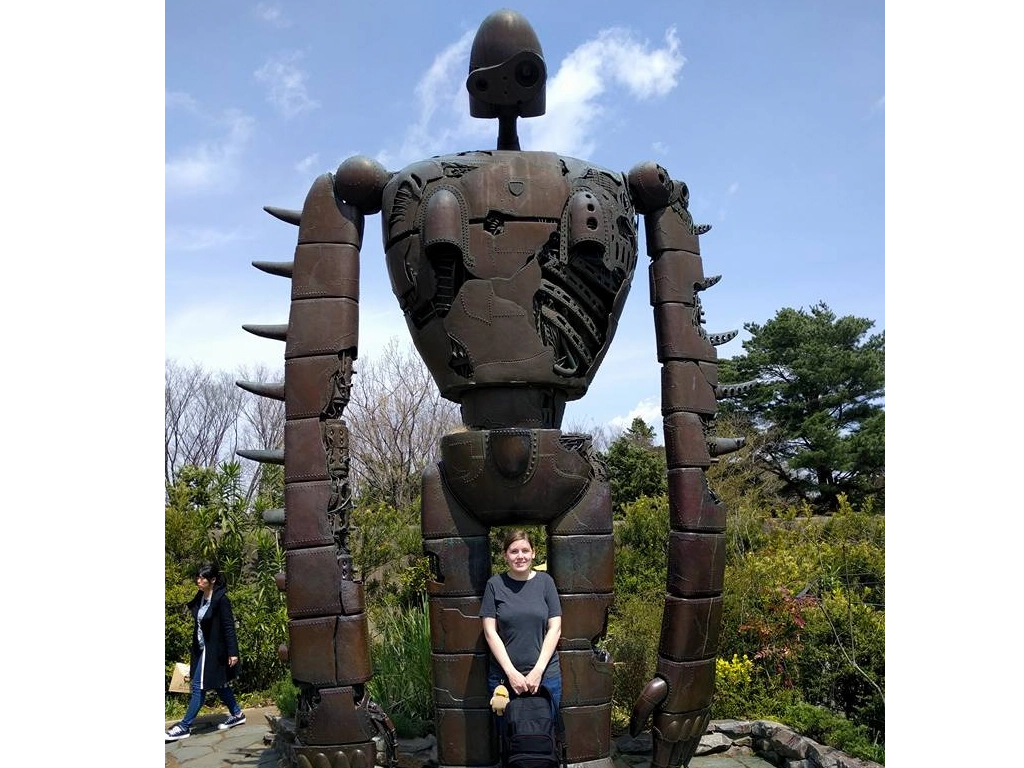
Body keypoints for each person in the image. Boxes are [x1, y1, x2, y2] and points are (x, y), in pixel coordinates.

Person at [479, 529, 562, 720]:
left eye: (525, 550)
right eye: (514, 551)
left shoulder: (546, 582)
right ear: (505, 555)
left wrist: (538, 671)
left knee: (545, 738)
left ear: (533, 552)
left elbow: (555, 628)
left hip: (546, 677)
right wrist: (511, 673)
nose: (520, 556)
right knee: (508, 739)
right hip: (503, 680)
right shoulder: (494, 585)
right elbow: (490, 632)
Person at [165, 562, 245, 742]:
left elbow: (228, 627)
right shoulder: (201, 597)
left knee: (198, 687)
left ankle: (184, 727)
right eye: (198, 577)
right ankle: (238, 714)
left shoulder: (221, 600)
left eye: (202, 578)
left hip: (215, 650)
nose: (198, 580)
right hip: (201, 649)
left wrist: (233, 652)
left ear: (213, 580)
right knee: (219, 684)